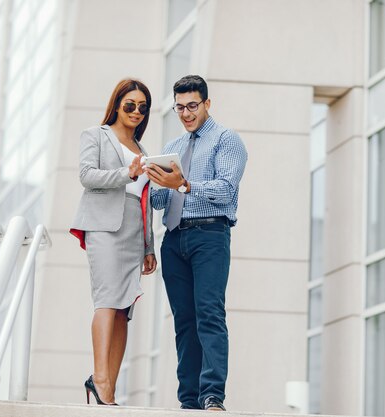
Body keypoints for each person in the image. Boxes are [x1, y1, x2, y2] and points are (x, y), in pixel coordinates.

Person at [146, 75, 247, 411]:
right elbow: (161, 201)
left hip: (209, 236)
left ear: (207, 103)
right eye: (179, 108)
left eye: (192, 106)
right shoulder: (172, 148)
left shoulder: (226, 140)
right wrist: (152, 180)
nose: (186, 113)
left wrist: (185, 185)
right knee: (184, 321)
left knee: (209, 314)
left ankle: (212, 396)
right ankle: (189, 400)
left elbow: (226, 190)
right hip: (173, 240)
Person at [69, 78, 157, 406]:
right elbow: (86, 175)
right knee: (106, 301)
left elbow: (144, 199)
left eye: (142, 108)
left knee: (124, 311)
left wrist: (149, 247)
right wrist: (126, 174)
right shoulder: (96, 135)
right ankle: (100, 379)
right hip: (104, 228)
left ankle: (109, 387)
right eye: (130, 105)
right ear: (117, 105)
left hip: (135, 233)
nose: (136, 111)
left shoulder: (144, 151)